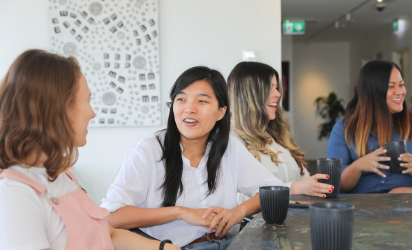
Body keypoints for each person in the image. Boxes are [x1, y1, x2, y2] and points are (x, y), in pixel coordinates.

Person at [0, 49, 179, 250]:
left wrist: (165, 248)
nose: (92, 113)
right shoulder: (15, 194)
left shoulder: (64, 173)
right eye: (87, 100)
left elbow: (107, 234)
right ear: (58, 108)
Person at [101, 66, 283, 249]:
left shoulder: (229, 147)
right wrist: (181, 213)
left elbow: (273, 190)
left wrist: (238, 212)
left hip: (229, 244)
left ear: (221, 112)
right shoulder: (146, 151)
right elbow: (112, 216)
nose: (189, 109)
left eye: (202, 101)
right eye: (181, 99)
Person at [328, 60, 412, 193]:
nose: (400, 92)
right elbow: (336, 184)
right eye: (391, 86)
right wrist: (357, 167)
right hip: (365, 206)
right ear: (372, 91)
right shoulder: (344, 129)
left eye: (401, 85)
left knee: (401, 195)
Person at [227, 61, 334, 199]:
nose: (278, 94)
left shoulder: (276, 135)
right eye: (270, 87)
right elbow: (235, 199)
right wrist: (294, 188)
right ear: (250, 95)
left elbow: (303, 178)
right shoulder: (230, 140)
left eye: (277, 87)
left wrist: (314, 186)